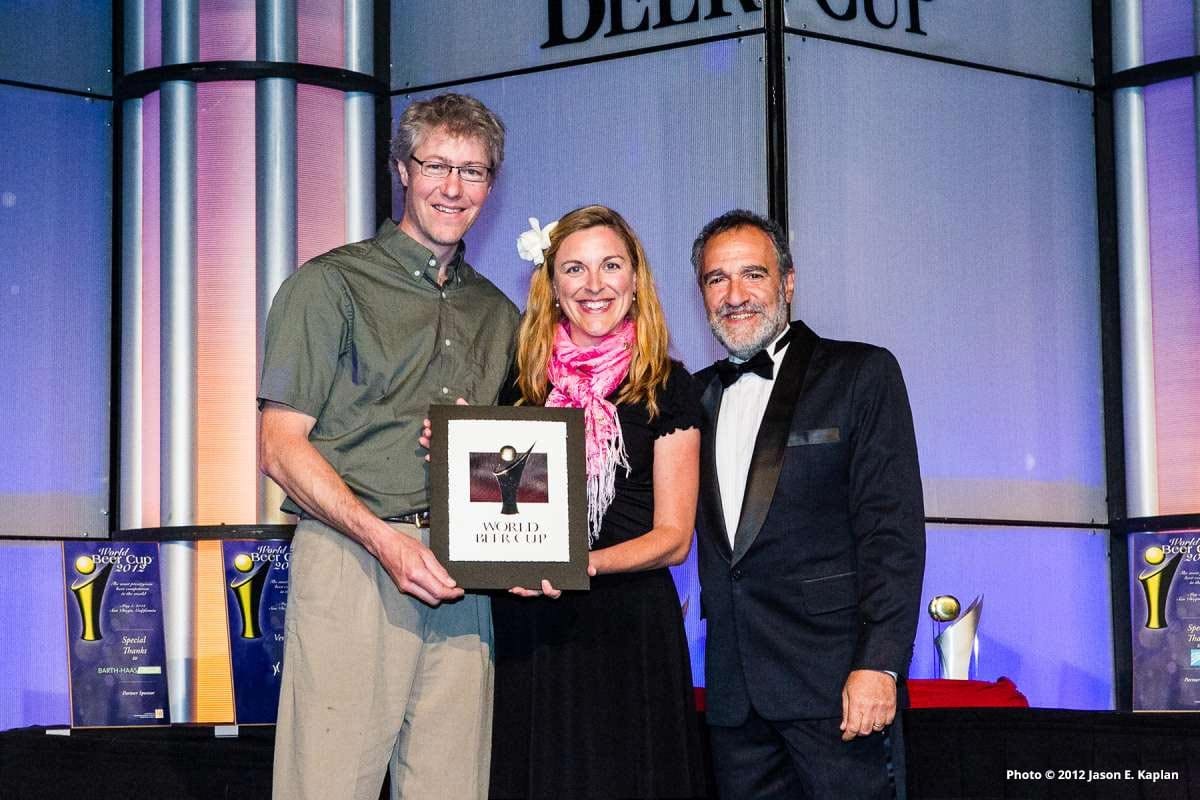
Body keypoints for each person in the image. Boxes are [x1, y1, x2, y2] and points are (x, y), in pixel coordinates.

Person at [257, 93, 519, 800]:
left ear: (491, 184)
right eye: (436, 164)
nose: (453, 187)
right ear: (403, 169)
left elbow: (513, 464)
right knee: (328, 784)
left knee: (452, 786)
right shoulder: (328, 284)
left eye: (473, 170)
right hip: (352, 560)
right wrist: (386, 541)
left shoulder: (501, 313)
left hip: (464, 575)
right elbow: (280, 448)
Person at [690, 210, 926, 799]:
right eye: (717, 279)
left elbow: (891, 533)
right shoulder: (691, 396)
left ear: (787, 282)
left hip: (837, 687)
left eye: (753, 274)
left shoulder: (860, 374)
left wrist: (880, 664)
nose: (736, 295)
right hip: (736, 697)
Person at [489, 205, 707, 799]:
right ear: (552, 287)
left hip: (627, 632)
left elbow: (674, 537)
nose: (594, 285)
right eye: (575, 269)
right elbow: (502, 505)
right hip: (531, 631)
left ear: (636, 280)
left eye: (611, 266)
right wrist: (454, 457)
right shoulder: (521, 386)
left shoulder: (665, 384)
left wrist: (584, 564)